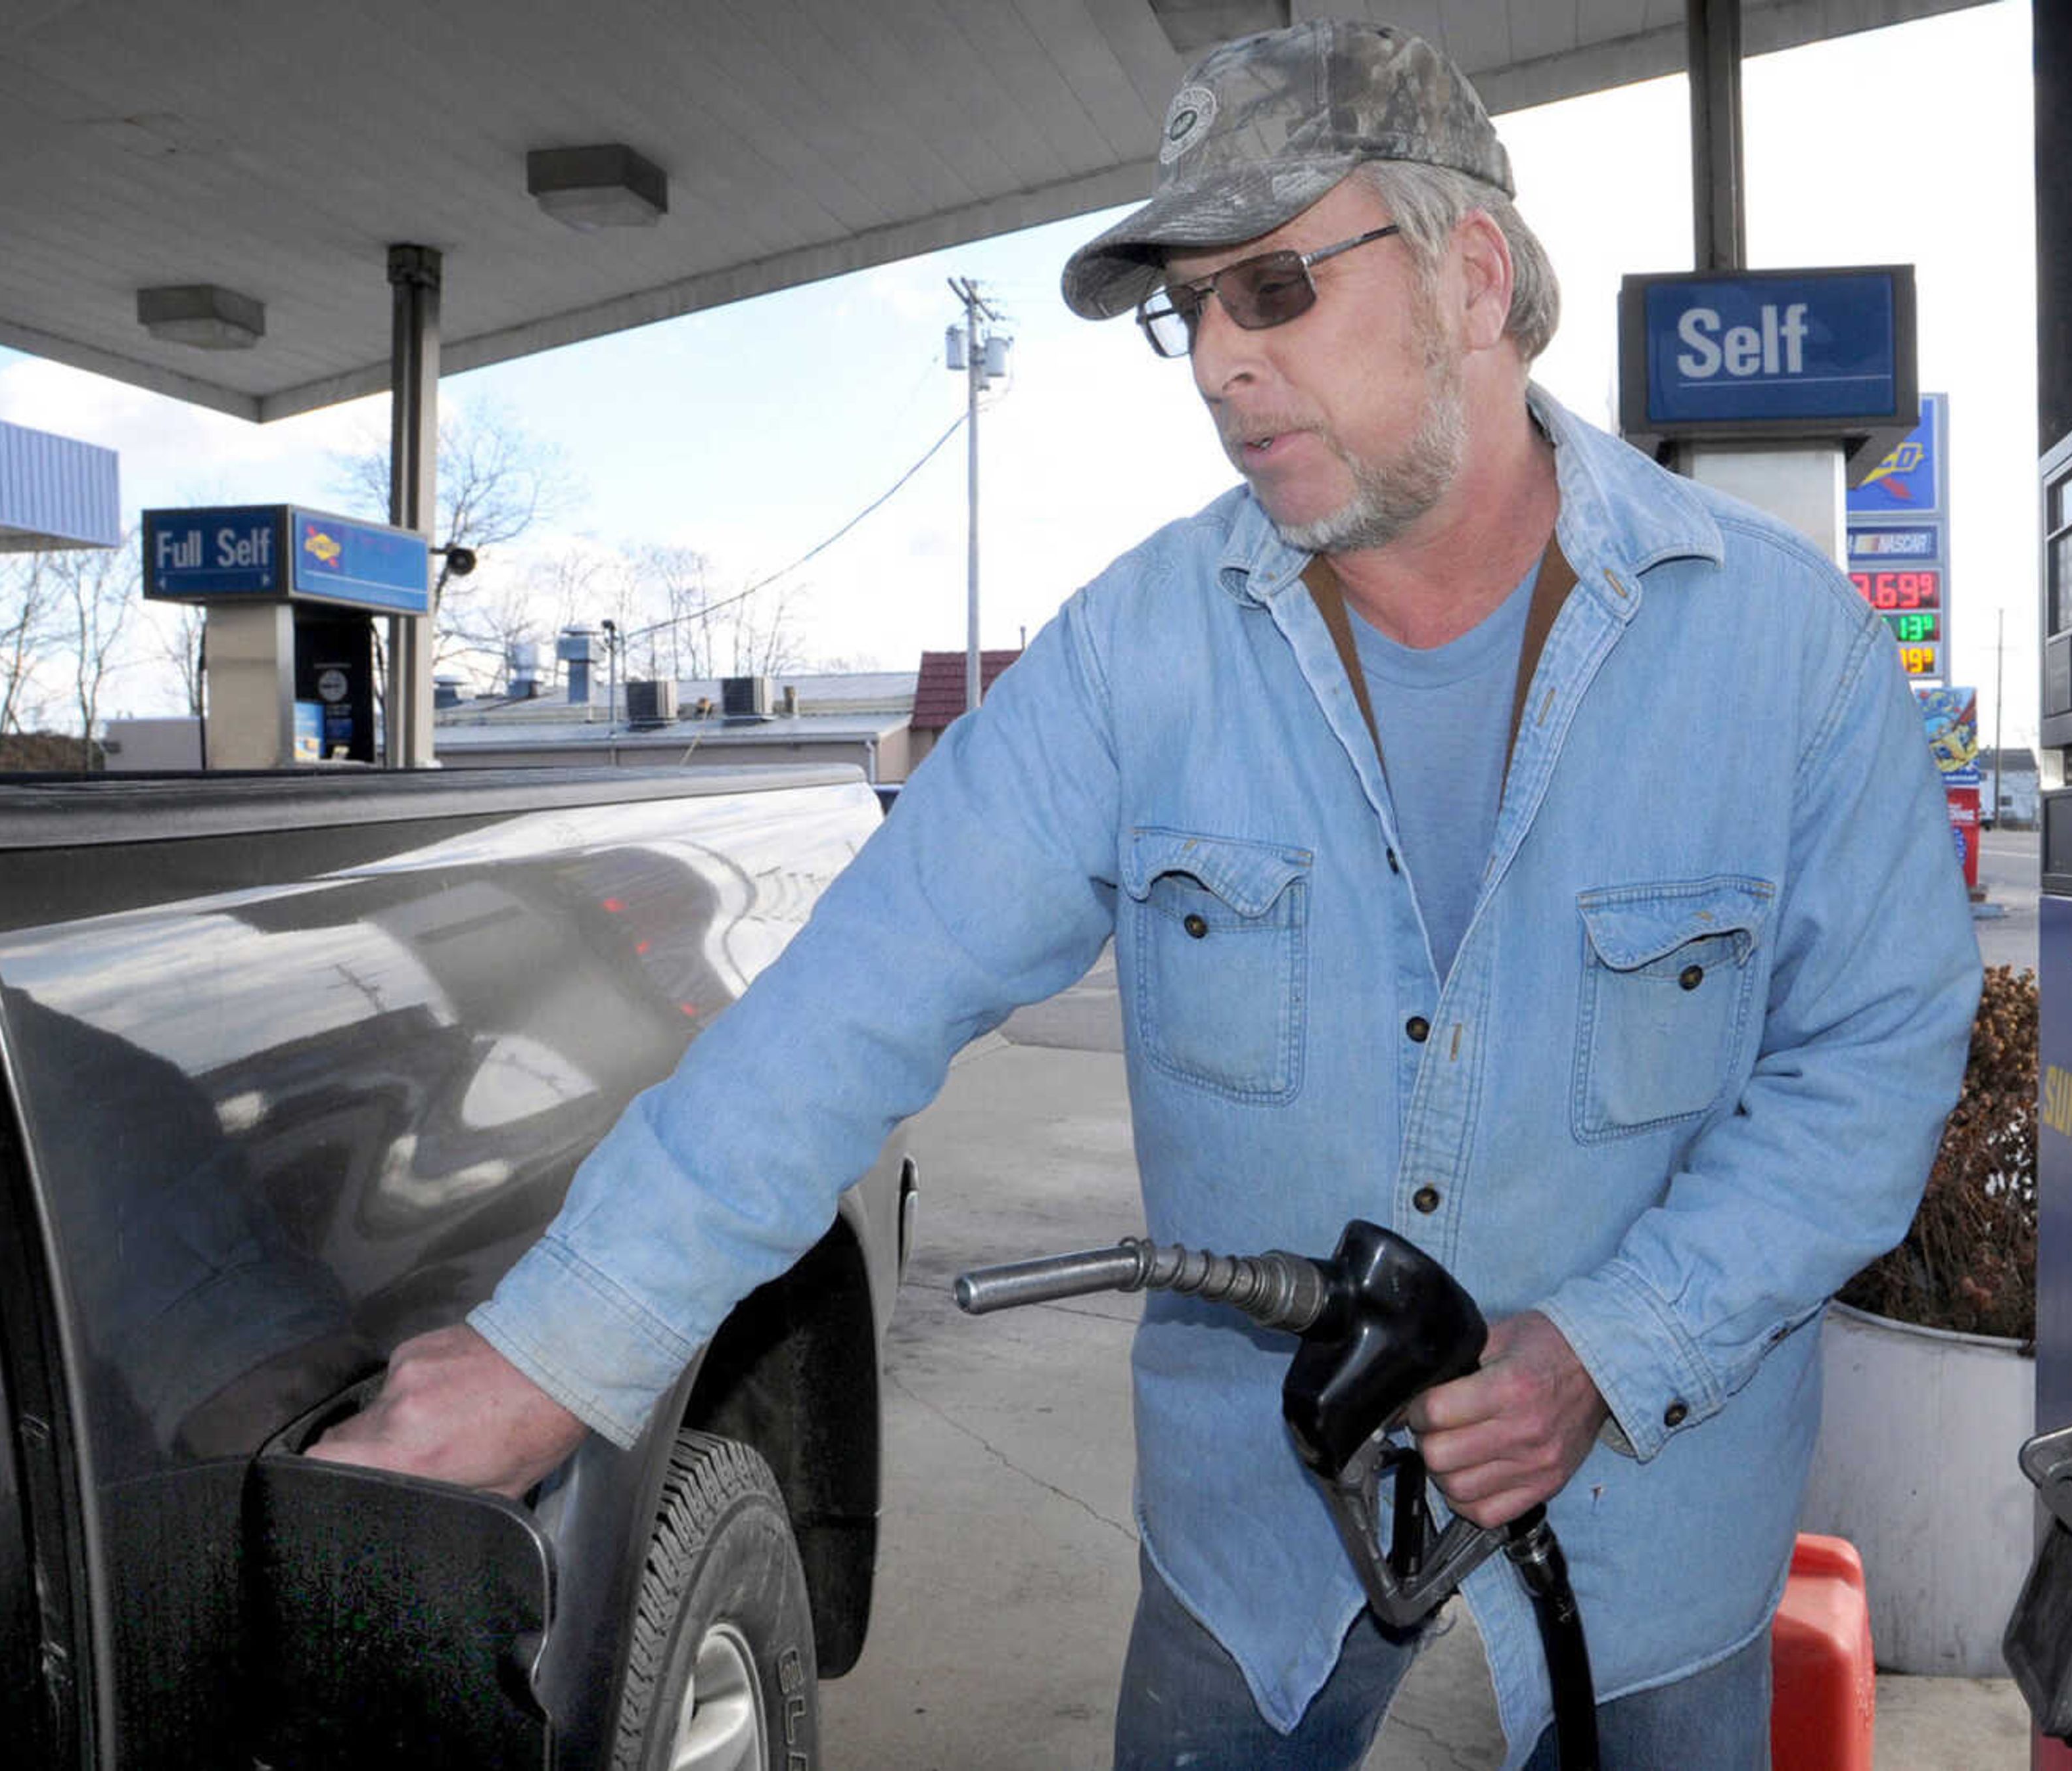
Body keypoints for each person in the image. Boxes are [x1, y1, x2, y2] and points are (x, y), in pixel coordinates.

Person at [314, 18, 1981, 1768]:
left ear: (1472, 277)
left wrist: (1611, 1349)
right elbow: (847, 1005)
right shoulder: (1138, 659)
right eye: (1190, 311)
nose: (1214, 364)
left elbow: (1868, 1070)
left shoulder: (1786, 657)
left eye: (1273, 288)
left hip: (1648, 1587)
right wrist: (557, 1357)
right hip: (1255, 1573)